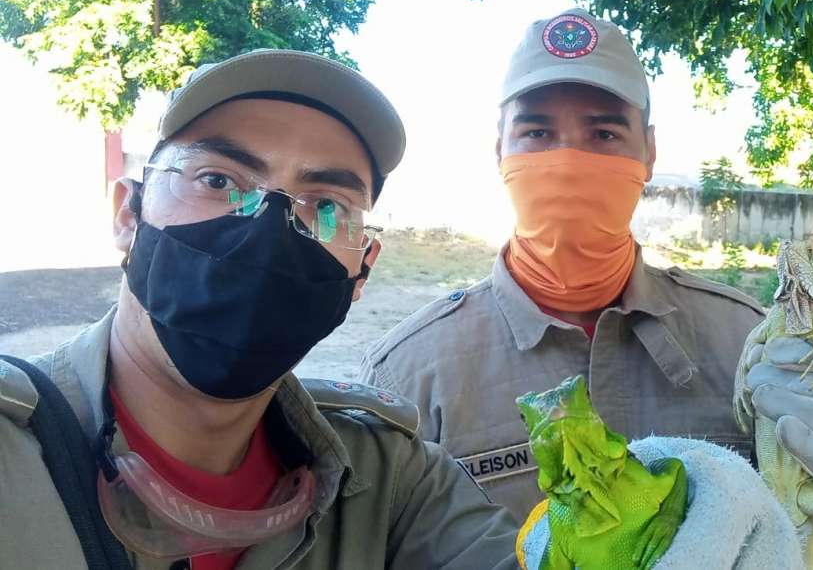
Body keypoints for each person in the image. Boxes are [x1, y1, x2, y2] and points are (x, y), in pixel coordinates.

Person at [360, 9, 813, 568]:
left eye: (603, 133)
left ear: (648, 152)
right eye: (537, 133)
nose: (569, 160)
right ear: (500, 151)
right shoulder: (409, 375)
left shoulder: (747, 342)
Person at [0, 49, 519, 569]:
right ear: (127, 214)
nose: (267, 231)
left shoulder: (391, 481)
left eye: (327, 206)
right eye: (218, 181)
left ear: (363, 268)